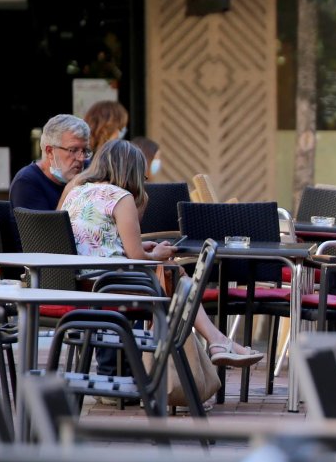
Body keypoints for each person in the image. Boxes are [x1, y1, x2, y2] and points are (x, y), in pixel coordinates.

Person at [58, 140, 262, 369]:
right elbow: (135, 256)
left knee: (173, 274)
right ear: (132, 170)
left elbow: (91, 239)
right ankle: (211, 345)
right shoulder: (120, 196)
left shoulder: (76, 191)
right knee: (175, 275)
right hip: (108, 284)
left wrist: (146, 251)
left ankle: (216, 342)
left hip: (79, 282)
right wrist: (157, 253)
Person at [11, 114, 91, 211]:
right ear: (50, 151)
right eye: (73, 150)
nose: (81, 158)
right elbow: (45, 227)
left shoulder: (88, 169)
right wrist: (68, 194)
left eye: (85, 150)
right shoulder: (27, 182)